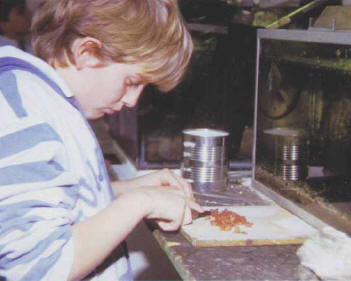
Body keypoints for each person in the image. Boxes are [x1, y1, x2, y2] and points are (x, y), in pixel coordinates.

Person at [0, 1, 202, 280]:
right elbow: (41, 266)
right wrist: (141, 202)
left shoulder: (48, 102)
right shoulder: (23, 110)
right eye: (132, 81)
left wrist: (124, 190)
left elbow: (62, 200)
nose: (132, 101)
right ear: (87, 53)